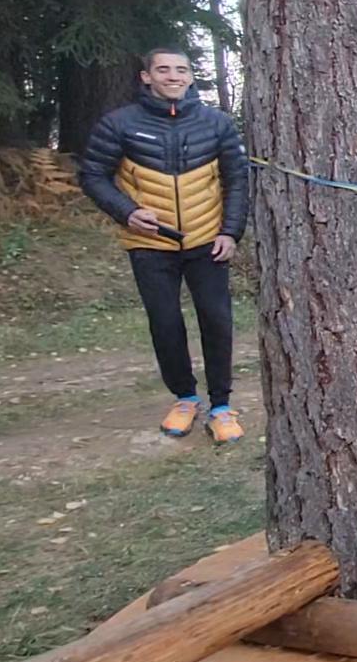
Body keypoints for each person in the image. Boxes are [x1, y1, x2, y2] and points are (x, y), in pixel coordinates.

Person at [78, 48, 249, 444]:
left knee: (217, 321)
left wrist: (230, 232)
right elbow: (92, 175)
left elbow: (237, 180)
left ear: (190, 76)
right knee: (165, 322)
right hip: (149, 242)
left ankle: (221, 406)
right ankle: (185, 398)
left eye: (181, 70)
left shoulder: (218, 124)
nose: (173, 76)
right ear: (146, 77)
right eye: (164, 69)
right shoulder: (118, 124)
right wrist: (126, 211)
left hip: (208, 240)